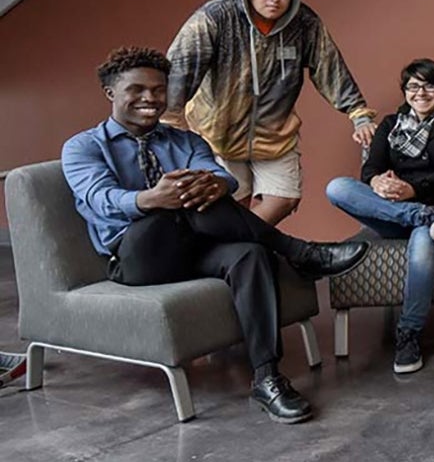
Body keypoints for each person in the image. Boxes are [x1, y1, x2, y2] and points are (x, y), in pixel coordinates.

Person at [62, 47, 369, 423]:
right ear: (111, 93)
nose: (150, 99)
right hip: (136, 258)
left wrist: (214, 184)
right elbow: (98, 198)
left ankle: (267, 377)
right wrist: (151, 198)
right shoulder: (83, 147)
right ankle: (299, 252)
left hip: (194, 247)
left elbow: (219, 173)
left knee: (248, 253)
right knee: (184, 200)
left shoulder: (184, 141)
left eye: (158, 90)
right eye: (137, 90)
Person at [166, 0, 378, 226]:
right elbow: (180, 67)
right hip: (218, 133)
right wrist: (172, 123)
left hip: (274, 133)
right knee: (232, 202)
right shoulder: (216, 17)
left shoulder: (304, 23)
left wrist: (358, 113)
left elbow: (329, 67)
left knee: (284, 198)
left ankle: (242, 242)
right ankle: (241, 253)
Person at [325, 58, 434, 375]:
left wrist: (411, 188)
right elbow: (370, 169)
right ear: (405, 91)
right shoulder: (390, 124)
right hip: (401, 213)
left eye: (429, 85)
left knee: (425, 241)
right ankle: (420, 215)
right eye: (413, 86)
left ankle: (409, 333)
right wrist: (378, 182)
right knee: (337, 187)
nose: (421, 92)